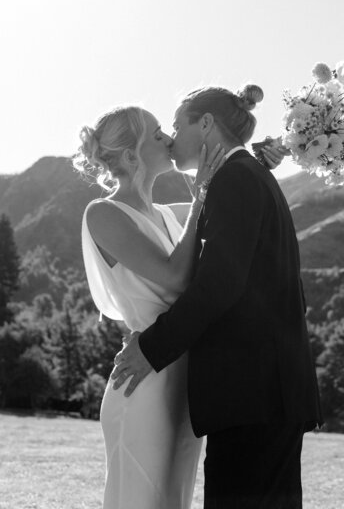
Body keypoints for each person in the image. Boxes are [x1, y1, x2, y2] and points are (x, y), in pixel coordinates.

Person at [111, 84, 323, 508]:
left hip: (254, 395)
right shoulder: (244, 174)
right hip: (268, 392)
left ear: (205, 124)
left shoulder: (236, 179)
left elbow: (219, 286)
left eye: (176, 125)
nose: (171, 139)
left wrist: (150, 349)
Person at [73, 100, 284, 509]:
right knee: (141, 496)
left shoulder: (171, 215)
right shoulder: (104, 213)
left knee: (175, 499)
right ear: (132, 153)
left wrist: (259, 161)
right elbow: (175, 276)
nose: (169, 139)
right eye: (156, 134)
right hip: (145, 379)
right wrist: (202, 192)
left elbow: (235, 205)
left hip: (187, 379)